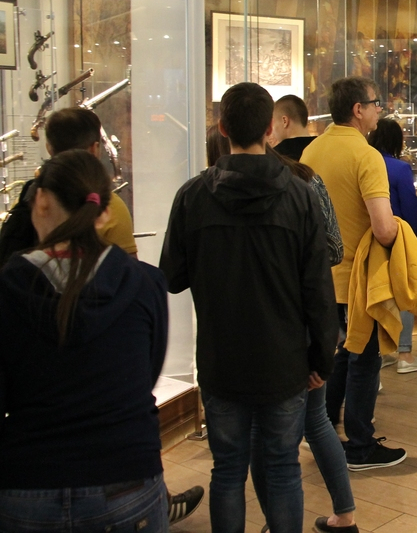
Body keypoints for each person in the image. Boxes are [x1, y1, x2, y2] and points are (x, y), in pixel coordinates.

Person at [161, 82, 338, 533]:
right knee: (282, 468)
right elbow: (318, 289)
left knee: (227, 469)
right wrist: (321, 358)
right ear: (269, 129)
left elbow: (172, 277)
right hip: (285, 359)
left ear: (222, 128)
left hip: (220, 356)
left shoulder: (192, 196)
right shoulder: (299, 195)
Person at [0, 151, 169, 531]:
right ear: (105, 212)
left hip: (29, 479)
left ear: (41, 201)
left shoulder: (9, 289)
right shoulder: (144, 284)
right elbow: (147, 373)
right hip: (127, 473)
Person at [301, 76, 408, 471]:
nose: (379, 109)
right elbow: (383, 228)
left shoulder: (311, 150)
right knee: (364, 358)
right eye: (375, 103)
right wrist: (402, 232)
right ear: (358, 109)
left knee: (342, 353)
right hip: (356, 277)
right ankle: (361, 444)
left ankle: (324, 428)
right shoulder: (366, 155)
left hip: (319, 277)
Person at [0, 108, 137, 267]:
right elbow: (131, 271)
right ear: (94, 149)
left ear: (49, 148)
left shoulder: (32, 198)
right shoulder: (112, 206)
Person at [368, 118, 417, 374]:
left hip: (366, 239)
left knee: (375, 295)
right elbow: (410, 208)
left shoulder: (364, 162)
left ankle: (379, 352)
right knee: (403, 292)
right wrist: (414, 239)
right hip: (396, 237)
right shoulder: (400, 168)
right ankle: (404, 353)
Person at [270, 94, 317, 160]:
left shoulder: (275, 157)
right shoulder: (322, 146)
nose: (273, 129)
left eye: (273, 123)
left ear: (284, 121)